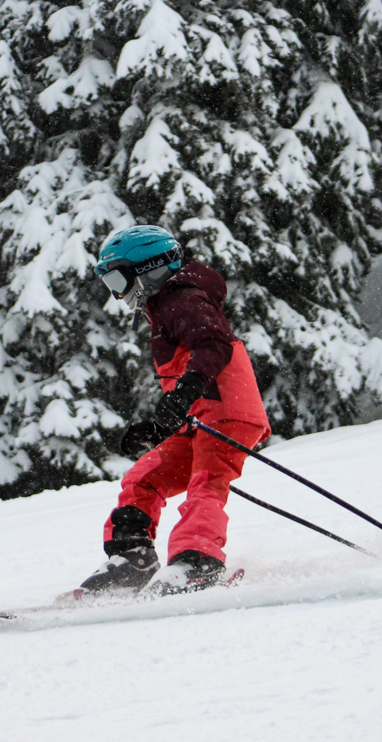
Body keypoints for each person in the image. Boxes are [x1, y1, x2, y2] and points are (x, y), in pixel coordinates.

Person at [79, 224, 270, 597]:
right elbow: (188, 387)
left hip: (229, 412)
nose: (118, 295)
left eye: (118, 279)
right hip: (202, 420)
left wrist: (184, 394)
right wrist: (159, 427)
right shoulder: (164, 308)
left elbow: (213, 344)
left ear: (149, 268)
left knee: (206, 483)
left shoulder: (184, 299)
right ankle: (131, 561)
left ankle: (197, 564)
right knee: (144, 477)